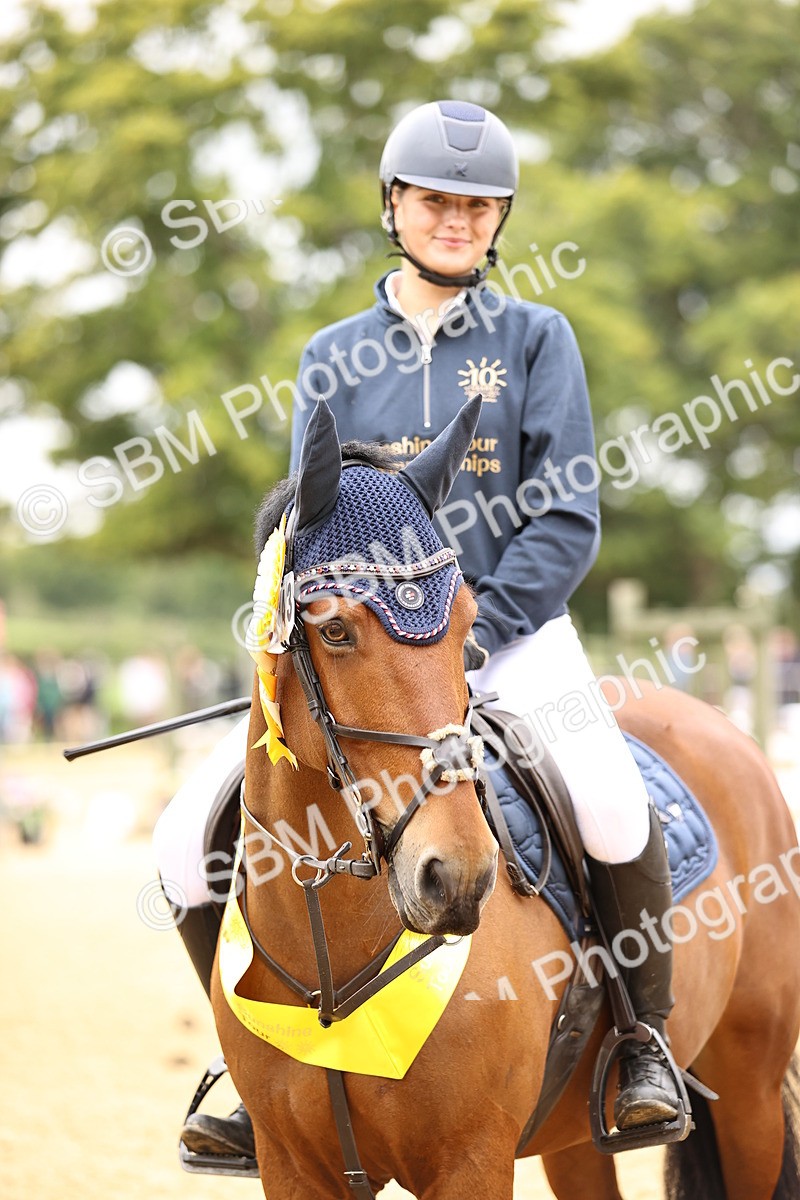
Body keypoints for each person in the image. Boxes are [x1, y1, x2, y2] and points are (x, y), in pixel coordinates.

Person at [159, 99, 681, 1161]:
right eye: (435, 200)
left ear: (498, 222)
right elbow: (306, 522)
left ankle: (639, 1041)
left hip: (509, 635)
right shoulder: (332, 353)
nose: (456, 219)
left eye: (477, 205)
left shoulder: (538, 339)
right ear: (393, 206)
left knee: (615, 809)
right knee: (183, 841)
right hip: (361, 658)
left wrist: (468, 638)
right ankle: (244, 1053)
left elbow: (568, 510)